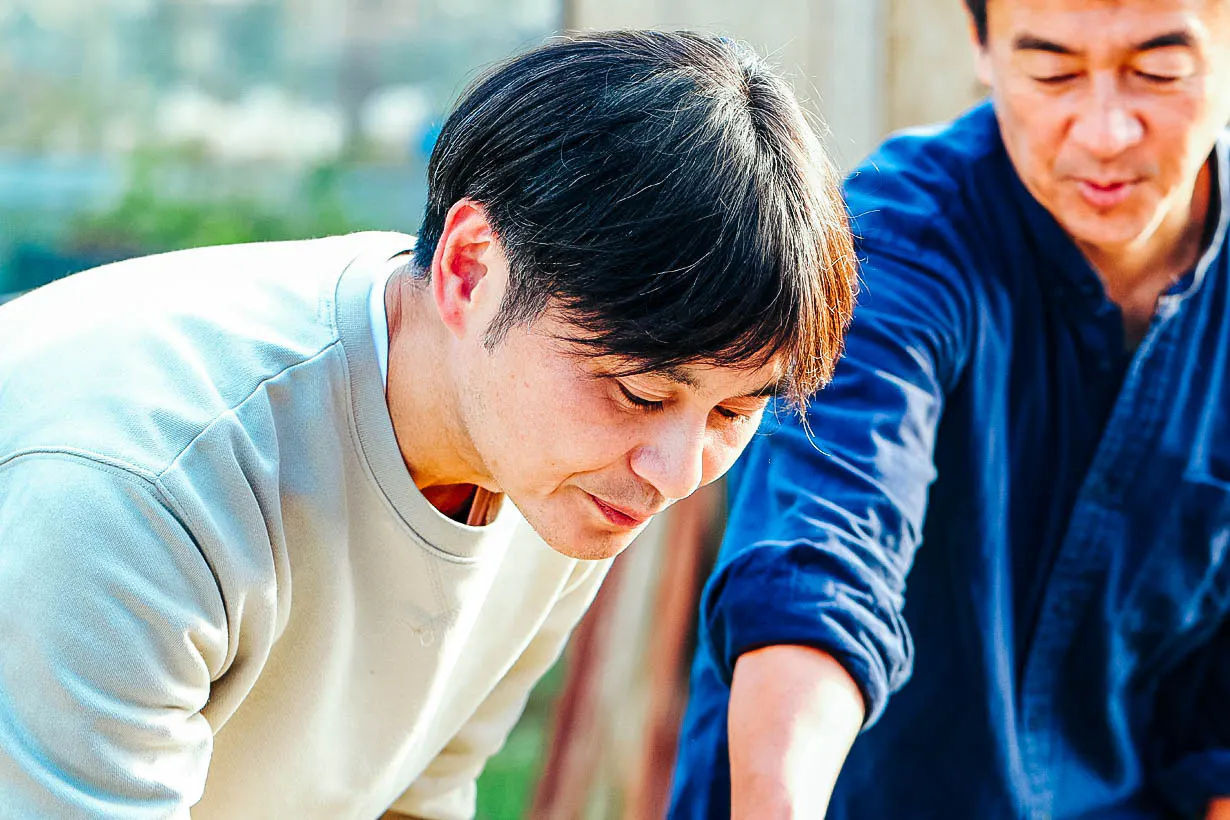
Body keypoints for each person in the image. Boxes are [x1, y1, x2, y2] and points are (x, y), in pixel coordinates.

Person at [0, 31, 857, 819]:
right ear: (469, 268)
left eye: (735, 411)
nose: (676, 472)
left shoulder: (566, 477)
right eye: (639, 393)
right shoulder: (142, 489)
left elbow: (420, 796)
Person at [670, 1, 1230, 818]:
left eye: (1158, 72)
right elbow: (825, 547)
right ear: (982, 44)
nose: (1105, 132)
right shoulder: (896, 240)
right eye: (1053, 72)